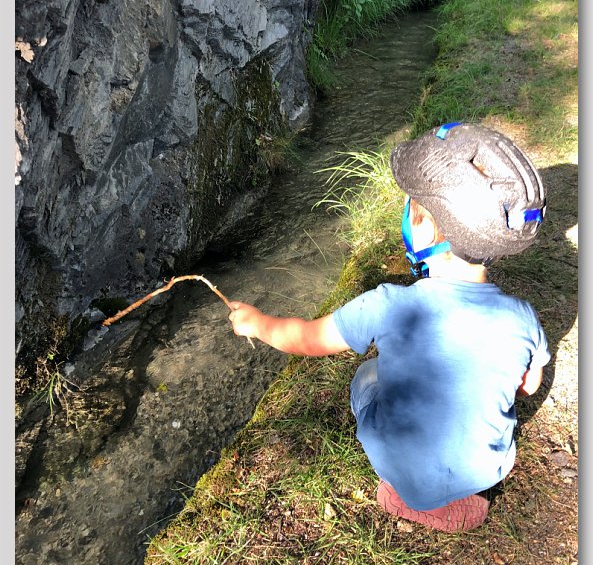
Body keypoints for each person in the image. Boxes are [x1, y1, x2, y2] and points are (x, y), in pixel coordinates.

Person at [228, 122, 550, 532]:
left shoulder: (387, 305)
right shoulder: (521, 317)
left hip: (398, 464)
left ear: (423, 227)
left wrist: (258, 323)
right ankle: (462, 495)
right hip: (487, 468)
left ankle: (404, 492)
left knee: (366, 375)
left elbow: (306, 339)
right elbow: (528, 386)